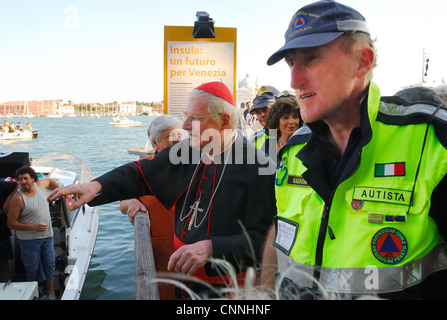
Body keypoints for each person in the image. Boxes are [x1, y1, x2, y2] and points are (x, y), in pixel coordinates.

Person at [261, 0, 447, 300]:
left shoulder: (432, 140)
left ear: (362, 62)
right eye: (291, 64)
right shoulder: (293, 150)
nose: (294, 81)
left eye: (311, 58)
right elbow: (280, 229)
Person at [48, 81, 276, 299]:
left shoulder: (259, 167)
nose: (185, 126)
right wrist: (95, 186)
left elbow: (265, 240)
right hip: (183, 277)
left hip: (228, 287)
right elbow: (141, 172)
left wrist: (212, 247)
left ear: (224, 120)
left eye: (194, 118)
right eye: (186, 117)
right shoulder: (188, 150)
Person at [119, 114, 183, 300]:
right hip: (161, 256)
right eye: (171, 136)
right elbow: (122, 203)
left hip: (191, 253)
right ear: (155, 143)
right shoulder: (141, 169)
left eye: (179, 135)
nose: (178, 140)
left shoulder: (193, 167)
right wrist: (132, 202)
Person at [6, 166, 60, 299]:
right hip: (29, 240)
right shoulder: (17, 199)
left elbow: (51, 181)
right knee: (32, 268)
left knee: (49, 264)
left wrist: (61, 192)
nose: (23, 182)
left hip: (47, 236)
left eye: (26, 178)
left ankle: (51, 291)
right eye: (20, 179)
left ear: (33, 179)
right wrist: (32, 227)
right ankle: (34, 292)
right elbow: (10, 223)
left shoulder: (41, 185)